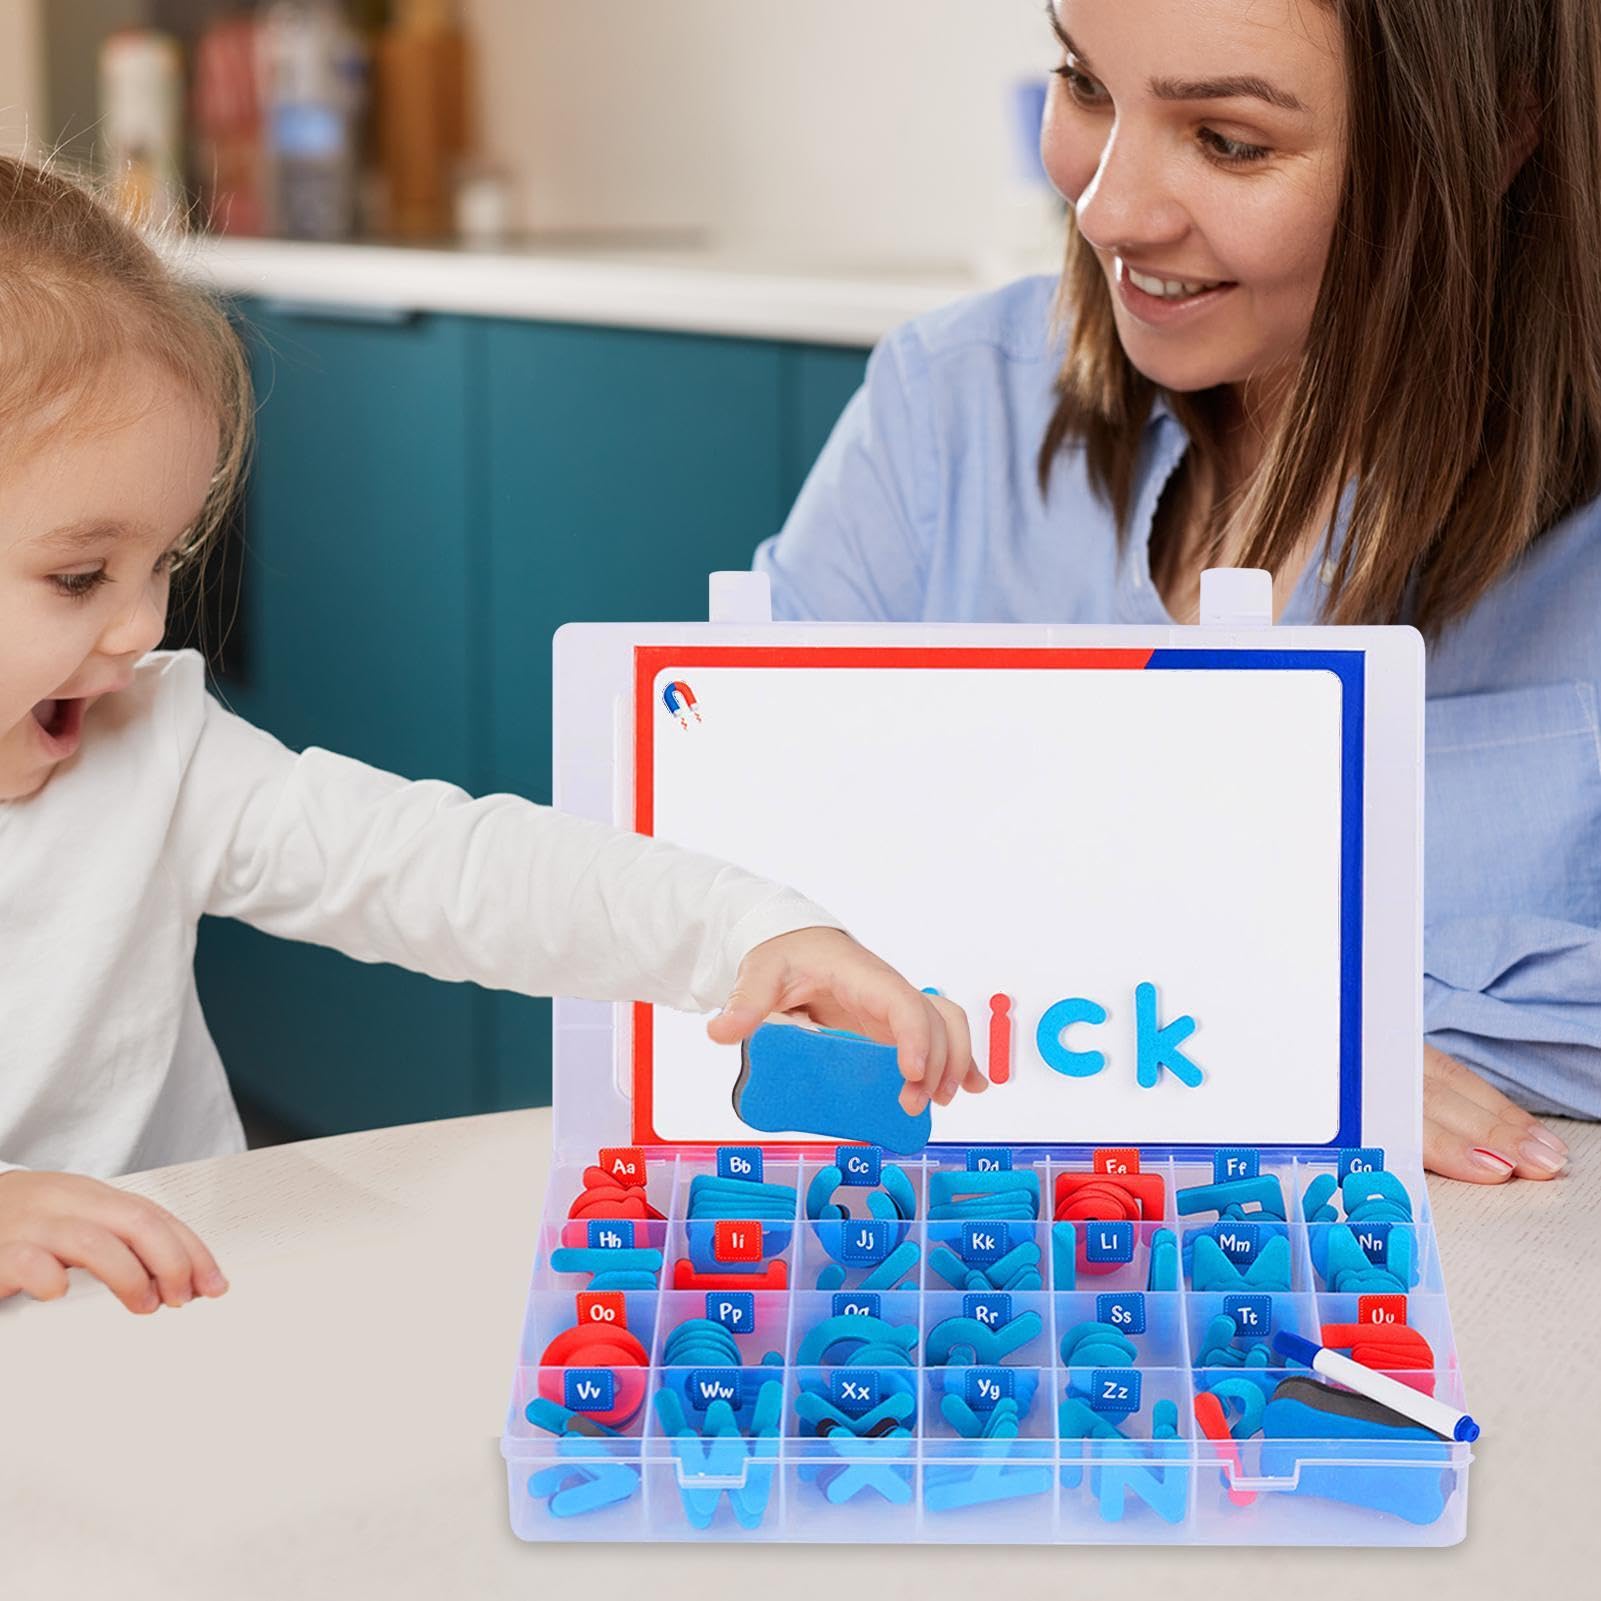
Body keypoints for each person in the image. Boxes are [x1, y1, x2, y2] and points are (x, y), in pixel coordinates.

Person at [0, 155, 982, 1316]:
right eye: (78, 576)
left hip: (170, 1331)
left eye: (164, 560)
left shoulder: (155, 748)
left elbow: (459, 867)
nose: (145, 623)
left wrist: (754, 928)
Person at [757, 0, 1600, 1182]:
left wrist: (1105, 990)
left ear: (1497, 130)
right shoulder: (946, 409)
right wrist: (1250, 1026)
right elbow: (713, 904)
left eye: (1228, 141)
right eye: (1085, 84)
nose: (1103, 208)